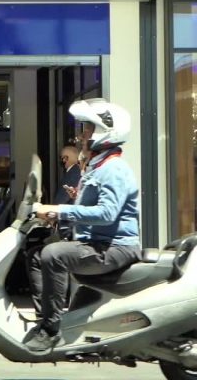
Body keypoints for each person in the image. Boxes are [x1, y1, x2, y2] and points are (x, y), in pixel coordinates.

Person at [27, 99, 141, 352]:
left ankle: (50, 329)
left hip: (115, 247)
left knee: (52, 255)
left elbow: (107, 214)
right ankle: (60, 324)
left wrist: (60, 209)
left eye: (87, 129)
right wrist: (56, 214)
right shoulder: (98, 167)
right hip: (100, 243)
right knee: (37, 256)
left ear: (104, 132)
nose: (81, 135)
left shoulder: (113, 169)